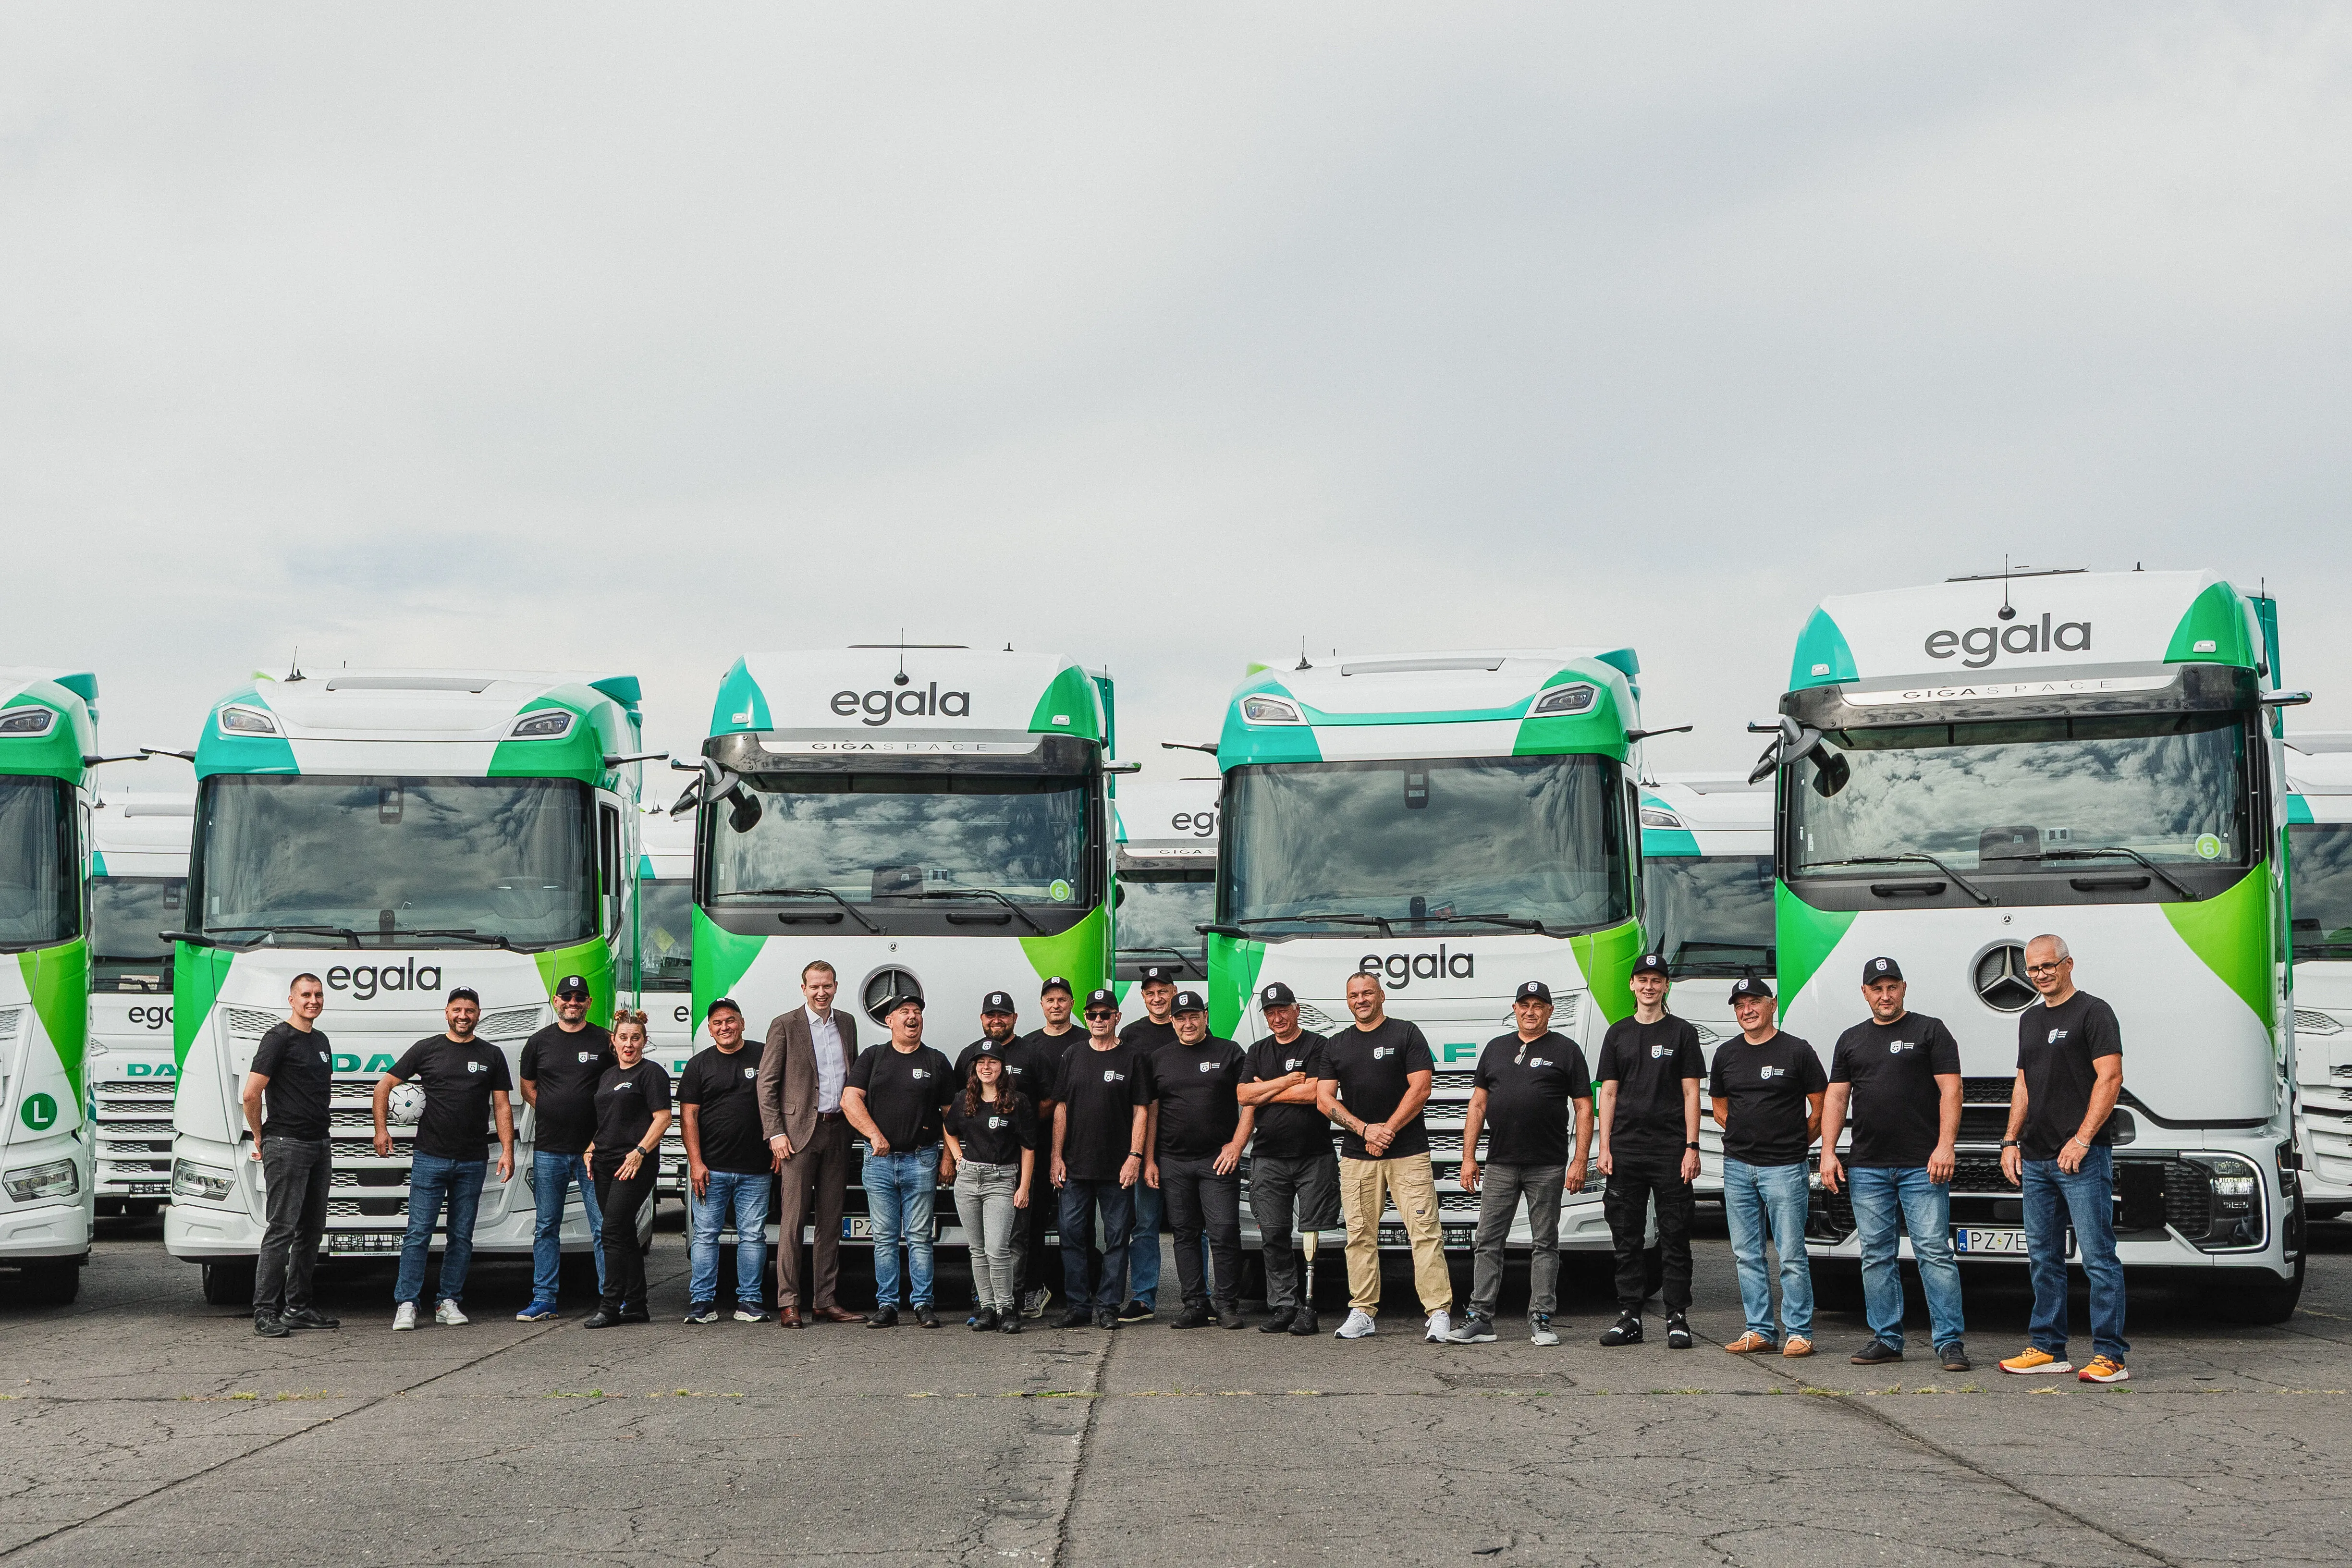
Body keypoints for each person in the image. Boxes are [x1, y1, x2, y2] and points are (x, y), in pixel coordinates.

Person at [1820, 956, 1969, 1371]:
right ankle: (1886, 1338)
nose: (1885, 996)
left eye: (1892, 987)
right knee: (1875, 1256)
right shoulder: (1851, 1039)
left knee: (1934, 1253)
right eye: (1876, 988)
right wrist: (1829, 1151)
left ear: (1904, 988)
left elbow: (1951, 1091)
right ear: (1865, 993)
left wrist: (1945, 1146)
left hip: (1923, 1165)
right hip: (1867, 1166)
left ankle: (1950, 1343)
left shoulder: (1930, 1030)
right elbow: (1836, 1097)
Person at [2000, 935, 2130, 1383]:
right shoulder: (2030, 1019)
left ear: (2069, 964)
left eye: (2048, 966)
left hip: (2080, 1159)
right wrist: (2010, 1141)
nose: (2040, 975)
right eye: (2033, 969)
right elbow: (2023, 1082)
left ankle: (2111, 1356)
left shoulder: (2095, 1012)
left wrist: (2082, 1139)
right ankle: (2049, 1348)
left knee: (2098, 1257)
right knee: (2043, 1257)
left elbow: (2110, 1078)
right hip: (2034, 1158)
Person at [1449, 980, 1592, 1348]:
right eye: (1524, 1005)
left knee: (1545, 1242)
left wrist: (1579, 1161)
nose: (1530, 1011)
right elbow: (1477, 1106)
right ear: (1515, 1010)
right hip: (1499, 1163)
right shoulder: (1496, 1049)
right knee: (1487, 1240)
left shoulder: (1567, 1050)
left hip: (1547, 1163)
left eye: (1538, 1006)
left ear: (1550, 1011)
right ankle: (1480, 1318)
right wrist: (1468, 1158)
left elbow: (1584, 1107)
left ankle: (1541, 1318)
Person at [1317, 972, 1451, 1343]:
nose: (1361, 1000)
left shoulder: (1405, 1033)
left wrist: (1387, 1129)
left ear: (1382, 996)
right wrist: (1365, 1131)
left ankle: (1438, 1312)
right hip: (1358, 1156)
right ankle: (1362, 1311)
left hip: (1408, 1153)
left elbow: (1422, 1087)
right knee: (1359, 1235)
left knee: (1424, 1234)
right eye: (1354, 995)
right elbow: (1324, 1098)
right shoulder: (1336, 1044)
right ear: (1347, 1000)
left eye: (1368, 993)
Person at [375, 987, 515, 1331]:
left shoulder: (492, 1055)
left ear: (478, 1014)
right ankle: (407, 1304)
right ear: (447, 1012)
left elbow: (502, 1106)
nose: (463, 1016)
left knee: (461, 1236)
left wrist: (508, 1151)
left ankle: (448, 1301)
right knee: (418, 1233)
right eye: (457, 1010)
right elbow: (384, 1087)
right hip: (430, 1158)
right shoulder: (427, 1049)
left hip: (471, 1160)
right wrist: (381, 1130)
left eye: (469, 1010)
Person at [1708, 978, 1825, 1359]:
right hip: (1739, 1167)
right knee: (1747, 1254)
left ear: (1772, 1005)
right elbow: (1721, 1108)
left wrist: (1795, 1142)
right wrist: (1746, 1134)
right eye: (1740, 1005)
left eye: (1754, 1002)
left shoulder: (1798, 1051)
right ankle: (1759, 1330)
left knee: (1791, 1254)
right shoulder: (1726, 1054)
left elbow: (1821, 1108)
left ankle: (1798, 1333)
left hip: (1785, 1168)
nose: (1747, 1010)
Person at [1593, 954, 1704, 1349]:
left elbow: (1692, 1093)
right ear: (1632, 985)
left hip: (1672, 1152)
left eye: (1657, 980)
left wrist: (1692, 1147)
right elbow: (1608, 1093)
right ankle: (1630, 1317)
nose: (1649, 987)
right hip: (1625, 1151)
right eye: (1642, 979)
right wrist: (1603, 1147)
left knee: (1676, 1236)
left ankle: (1677, 1317)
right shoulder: (1617, 1034)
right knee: (1626, 1237)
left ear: (1666, 987)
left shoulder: (1682, 1033)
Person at [757, 965, 862, 1327]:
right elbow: (767, 1084)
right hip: (798, 1135)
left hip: (838, 1132)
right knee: (793, 1221)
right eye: (815, 986)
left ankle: (824, 1300)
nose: (822, 992)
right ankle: (788, 1302)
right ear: (803, 988)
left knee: (831, 1223)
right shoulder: (785, 1025)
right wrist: (775, 1133)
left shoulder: (846, 1023)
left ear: (836, 986)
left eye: (827, 986)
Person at [842, 992, 956, 1327]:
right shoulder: (873, 1058)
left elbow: (951, 1116)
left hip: (922, 1159)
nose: (912, 1017)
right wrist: (875, 1135)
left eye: (917, 1011)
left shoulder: (937, 1061)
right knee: (885, 1237)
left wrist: (948, 1158)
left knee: (920, 1237)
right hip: (878, 1163)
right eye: (904, 1011)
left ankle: (923, 1305)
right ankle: (888, 1305)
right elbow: (850, 1100)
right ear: (889, 1020)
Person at [1146, 990, 1252, 1329]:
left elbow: (1251, 1100)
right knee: (1185, 1233)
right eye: (1181, 1018)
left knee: (1223, 1231)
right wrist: (1149, 1159)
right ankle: (1194, 1303)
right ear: (1172, 1021)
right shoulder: (1159, 1058)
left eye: (1194, 1016)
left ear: (1205, 1017)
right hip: (1174, 1161)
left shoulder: (1229, 1052)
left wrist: (1236, 1145)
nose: (1188, 1023)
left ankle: (1226, 1304)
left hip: (1216, 1159)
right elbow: (1150, 1112)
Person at [1238, 981, 1337, 1337]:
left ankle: (1309, 1307)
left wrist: (1267, 1091)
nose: (1277, 1017)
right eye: (1271, 1012)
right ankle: (1284, 1305)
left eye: (1283, 1009)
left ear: (1296, 1010)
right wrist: (1284, 1083)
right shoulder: (1258, 1050)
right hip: (1269, 1158)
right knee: (1274, 1234)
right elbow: (1243, 1093)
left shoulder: (1318, 1045)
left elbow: (1316, 1093)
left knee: (1313, 1233)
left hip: (1314, 1156)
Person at [243, 973, 340, 1337]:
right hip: (286, 1145)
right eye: (305, 995)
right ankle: (265, 1311)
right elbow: (252, 1094)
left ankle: (298, 1307)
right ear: (291, 999)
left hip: (319, 1144)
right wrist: (260, 1136)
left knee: (311, 1231)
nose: (312, 1001)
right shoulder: (277, 1038)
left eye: (318, 995)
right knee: (281, 1229)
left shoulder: (321, 1040)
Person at [514, 973, 612, 1321]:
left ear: (588, 1002)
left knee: (603, 1226)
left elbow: (621, 1084)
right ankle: (544, 1299)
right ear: (557, 1001)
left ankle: (610, 1299)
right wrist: (553, 1108)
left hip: (593, 1151)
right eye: (566, 997)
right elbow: (527, 1086)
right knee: (546, 1226)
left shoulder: (605, 1040)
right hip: (549, 1150)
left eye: (579, 997)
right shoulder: (539, 1042)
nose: (573, 1002)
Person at [1052, 989, 1150, 1329]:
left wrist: (1135, 1156)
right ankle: (1079, 1306)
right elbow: (1061, 1108)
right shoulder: (1073, 1054)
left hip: (1116, 1168)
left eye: (1104, 1015)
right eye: (1092, 1015)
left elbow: (1142, 1111)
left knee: (1117, 1238)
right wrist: (1056, 1157)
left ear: (1117, 1017)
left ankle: (1108, 1305)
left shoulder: (1133, 1058)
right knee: (1072, 1236)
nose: (1097, 1021)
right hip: (1075, 1166)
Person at [678, 998, 773, 1324]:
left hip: (757, 1169)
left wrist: (778, 1144)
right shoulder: (699, 1065)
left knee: (753, 1236)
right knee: (705, 1236)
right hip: (711, 1170)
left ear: (742, 1023)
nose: (725, 1027)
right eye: (718, 1023)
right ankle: (702, 1302)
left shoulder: (765, 1055)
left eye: (730, 1021)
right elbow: (688, 1118)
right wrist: (696, 1163)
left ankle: (749, 1301)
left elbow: (782, 1101)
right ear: (709, 1029)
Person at [582, 1009, 673, 1328]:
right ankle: (636, 1305)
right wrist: (592, 1146)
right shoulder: (608, 1076)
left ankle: (610, 1305)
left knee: (611, 1231)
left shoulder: (651, 1074)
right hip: (604, 1162)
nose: (629, 1044)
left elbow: (663, 1118)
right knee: (623, 1234)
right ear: (614, 1041)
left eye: (636, 1038)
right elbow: (607, 1119)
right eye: (624, 1038)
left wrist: (640, 1152)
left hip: (634, 1164)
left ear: (645, 1041)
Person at [944, 1040, 1037, 1333]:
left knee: (999, 1248)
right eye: (981, 1062)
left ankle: (1007, 1308)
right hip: (969, 1180)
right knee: (978, 1249)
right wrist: (959, 1158)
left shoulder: (1017, 1101)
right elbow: (948, 1130)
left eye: (993, 1062)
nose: (987, 1067)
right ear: (975, 1068)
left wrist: (1024, 1187)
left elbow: (1028, 1148)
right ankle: (987, 1308)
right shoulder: (964, 1099)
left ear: (1003, 1067)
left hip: (1002, 1180)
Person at [1114, 964, 1181, 1322]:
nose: (1157, 998)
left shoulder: (1187, 1026)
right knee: (1145, 1225)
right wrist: (1137, 1152)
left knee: (1191, 1227)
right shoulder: (1132, 1035)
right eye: (1150, 993)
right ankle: (1143, 1298)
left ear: (1173, 992)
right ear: (1143, 997)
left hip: (1183, 1144)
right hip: (1145, 1145)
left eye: (1163, 991)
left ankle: (1198, 1298)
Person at [1011, 977, 1079, 1320]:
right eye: (1050, 999)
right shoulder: (1029, 1045)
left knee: (1074, 1226)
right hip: (1036, 1148)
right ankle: (1033, 1288)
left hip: (1080, 1146)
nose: (1056, 1005)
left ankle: (1080, 1294)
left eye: (1062, 999)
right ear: (1041, 1005)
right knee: (1033, 1222)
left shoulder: (1087, 1039)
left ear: (1072, 1003)